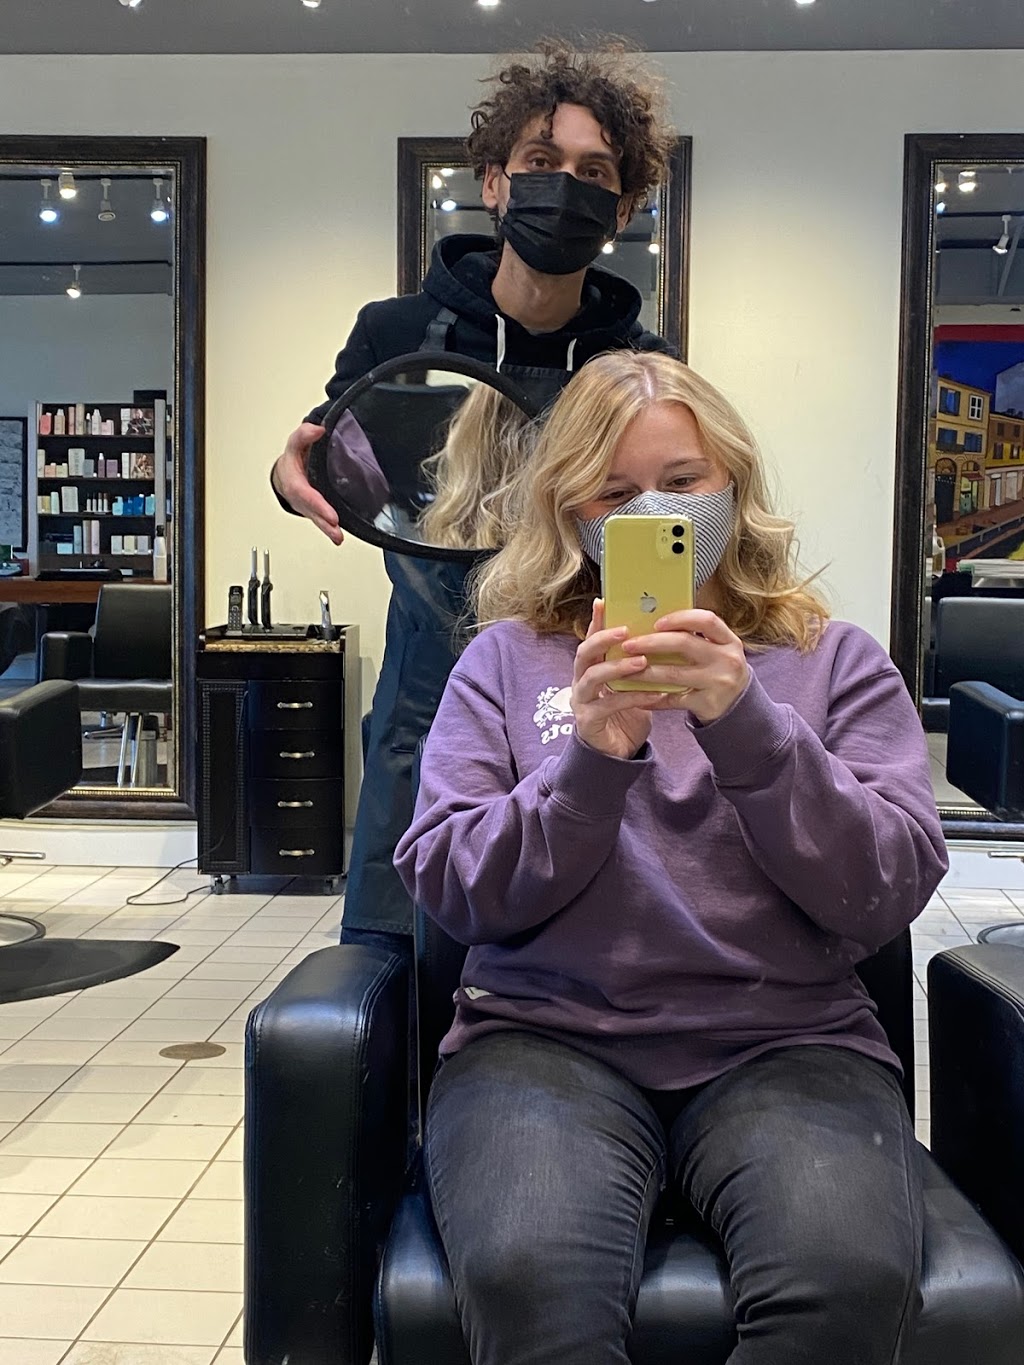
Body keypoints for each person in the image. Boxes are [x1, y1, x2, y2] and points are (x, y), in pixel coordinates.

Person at [394, 350, 949, 1365]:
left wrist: (749, 725)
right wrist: (588, 765)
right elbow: (451, 887)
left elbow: (888, 887)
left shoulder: (833, 659)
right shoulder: (505, 661)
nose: (653, 511)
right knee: (530, 1284)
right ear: (570, 512)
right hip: (544, 1038)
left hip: (789, 1038)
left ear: (733, 483)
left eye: (682, 480)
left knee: (843, 1282)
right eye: (614, 492)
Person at [271, 39, 677, 954]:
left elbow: (664, 526)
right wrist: (287, 478)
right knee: (400, 947)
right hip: (428, 682)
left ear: (622, 208)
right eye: (541, 161)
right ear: (494, 181)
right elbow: (328, 459)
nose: (564, 187)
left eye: (594, 172)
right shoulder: (397, 333)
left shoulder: (640, 366)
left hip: (577, 679)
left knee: (570, 935)